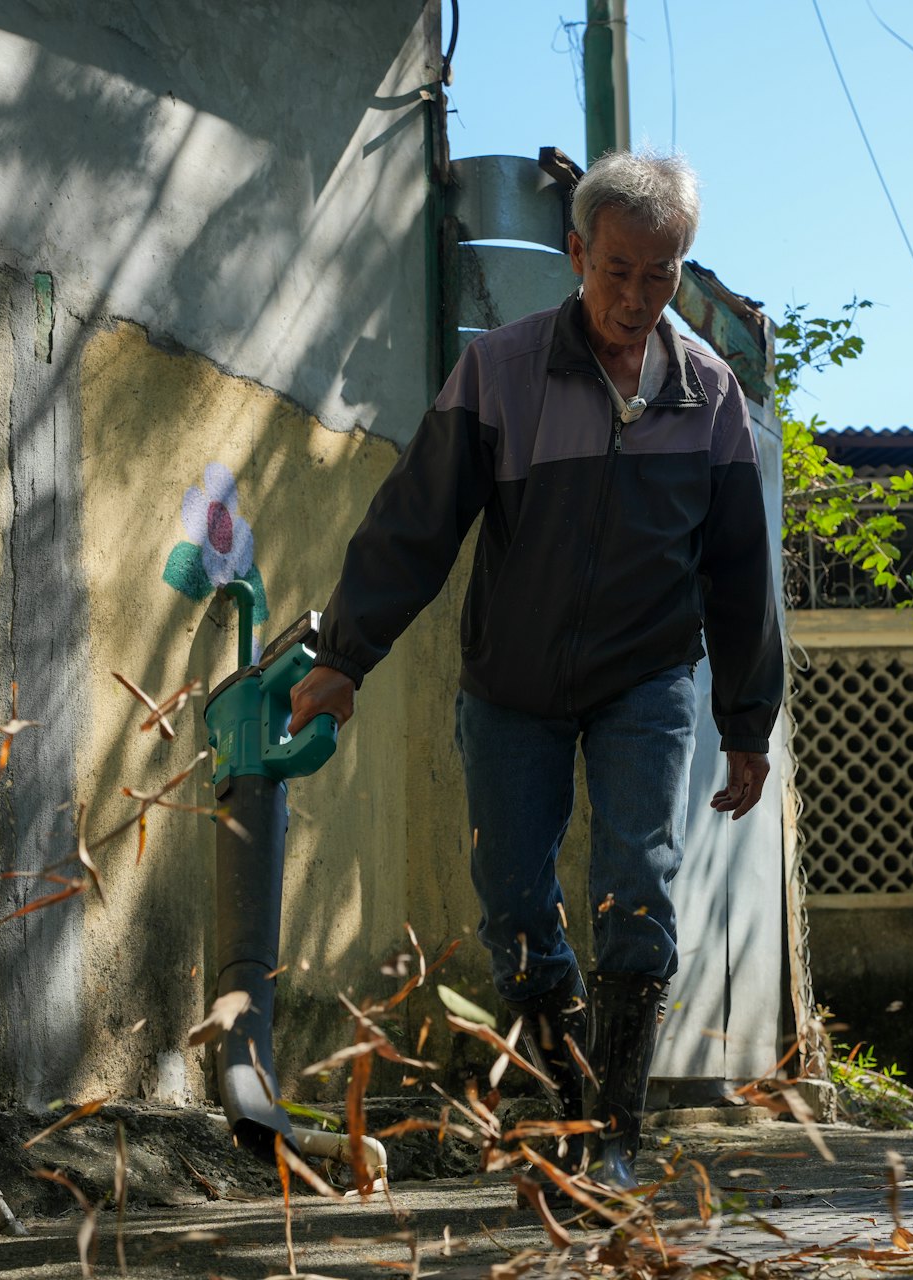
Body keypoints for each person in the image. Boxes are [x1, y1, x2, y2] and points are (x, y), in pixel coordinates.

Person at [286, 149, 782, 1193]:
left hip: (647, 681)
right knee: (513, 905)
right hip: (510, 684)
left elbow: (741, 576)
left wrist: (746, 720)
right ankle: (568, 1088)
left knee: (635, 889)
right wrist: (346, 659)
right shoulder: (502, 372)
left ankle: (617, 1129)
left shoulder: (712, 399)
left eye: (660, 275)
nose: (636, 298)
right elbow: (415, 524)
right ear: (575, 255)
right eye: (616, 271)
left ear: (680, 272)